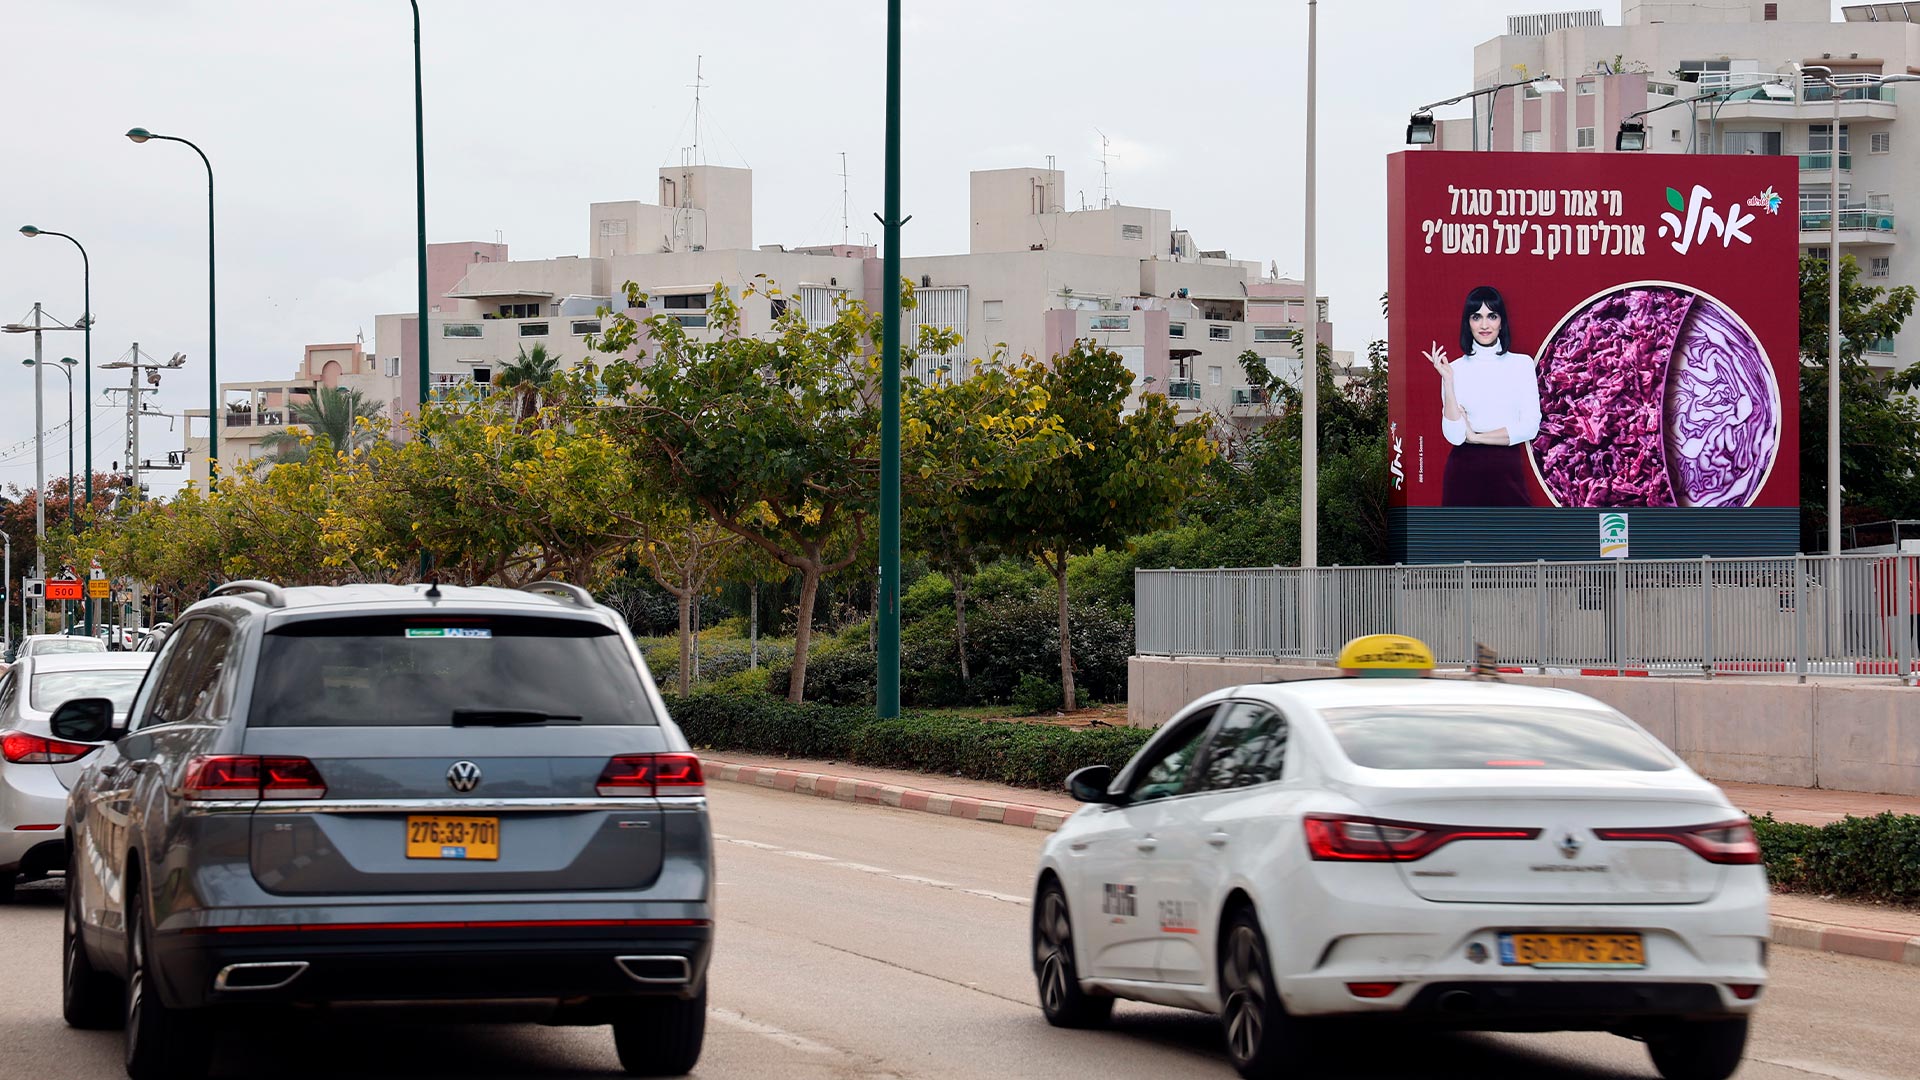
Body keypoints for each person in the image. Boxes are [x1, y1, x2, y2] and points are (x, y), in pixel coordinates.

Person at [1426, 285, 1541, 507]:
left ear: (1501, 321)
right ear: (1468, 323)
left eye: (1492, 316)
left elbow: (1530, 427)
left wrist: (1477, 437)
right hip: (1463, 473)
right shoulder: (1454, 370)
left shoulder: (1522, 364)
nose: (1485, 325)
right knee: (1463, 541)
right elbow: (1454, 436)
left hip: (1507, 470)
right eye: (1477, 317)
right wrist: (1448, 382)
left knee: (1516, 539)